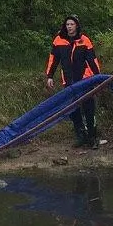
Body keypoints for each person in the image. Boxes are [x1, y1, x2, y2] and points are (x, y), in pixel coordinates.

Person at [44, 15, 103, 148]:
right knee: (73, 110)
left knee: (89, 109)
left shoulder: (84, 40)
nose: (69, 27)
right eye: (67, 24)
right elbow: (53, 59)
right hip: (68, 81)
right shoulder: (59, 40)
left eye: (72, 24)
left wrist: (98, 77)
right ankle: (80, 136)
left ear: (76, 26)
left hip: (85, 80)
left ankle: (92, 138)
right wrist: (50, 76)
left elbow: (92, 60)